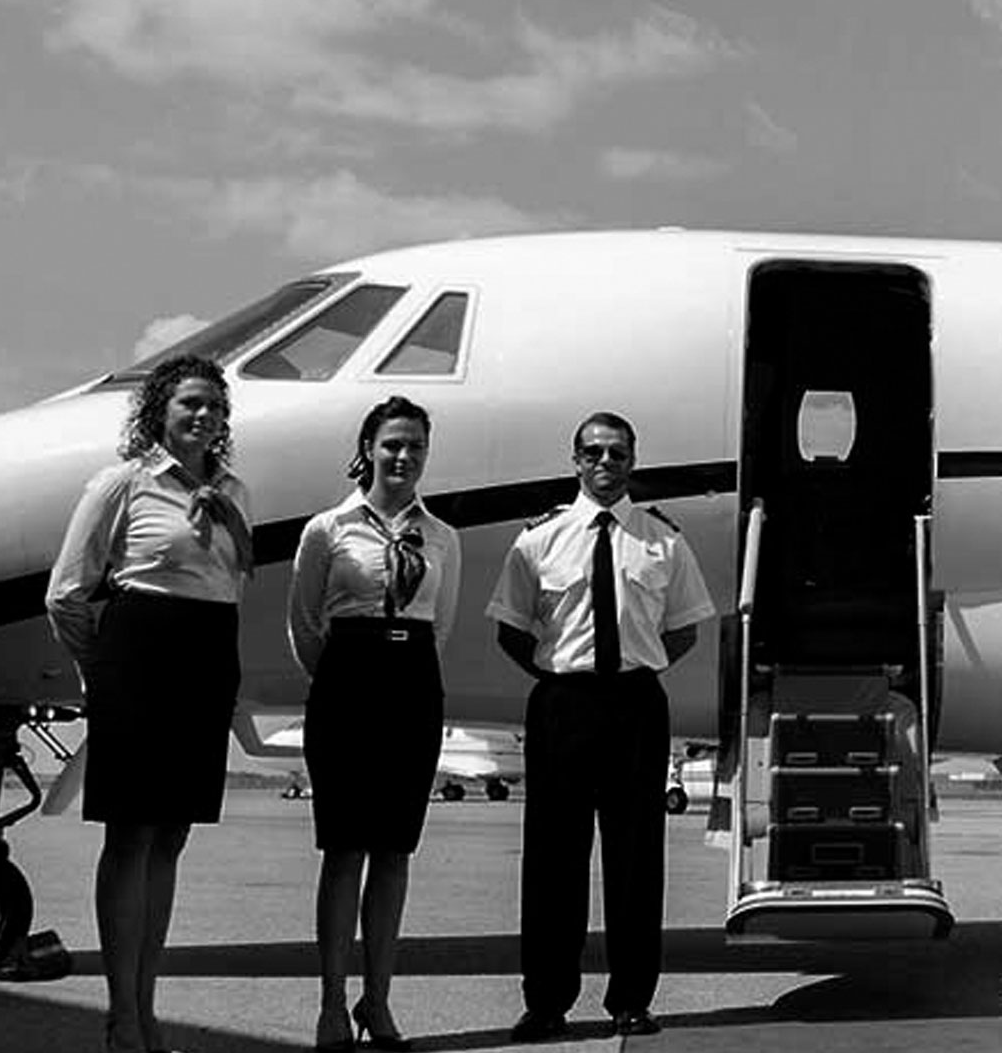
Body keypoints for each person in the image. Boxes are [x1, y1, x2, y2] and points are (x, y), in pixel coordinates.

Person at [46, 354, 254, 1053]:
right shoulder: (122, 483)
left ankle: (147, 1002)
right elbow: (66, 592)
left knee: (172, 838)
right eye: (190, 402)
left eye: (215, 406)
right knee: (131, 835)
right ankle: (121, 1014)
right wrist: (102, 669)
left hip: (207, 656)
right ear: (160, 409)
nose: (204, 415)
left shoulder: (234, 491)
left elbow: (235, 580)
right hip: (139, 654)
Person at [489, 412, 716, 1041]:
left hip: (636, 705)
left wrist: (633, 669)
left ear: (633, 461)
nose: (606, 463)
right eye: (594, 452)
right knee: (553, 859)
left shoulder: (663, 542)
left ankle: (632, 999)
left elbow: (685, 629)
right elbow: (511, 628)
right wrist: (562, 676)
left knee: (636, 858)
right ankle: (547, 1002)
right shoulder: (539, 541)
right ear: (576, 461)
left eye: (617, 453)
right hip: (563, 704)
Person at [287, 397, 459, 1051]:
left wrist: (399, 667)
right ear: (368, 449)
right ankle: (332, 1003)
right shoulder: (327, 529)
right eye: (392, 443)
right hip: (346, 684)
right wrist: (344, 676)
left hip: (412, 684)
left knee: (394, 852)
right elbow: (304, 623)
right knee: (344, 851)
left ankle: (378, 1000)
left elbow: (441, 625)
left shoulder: (442, 537)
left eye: (415, 445)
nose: (404, 456)